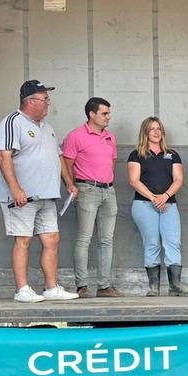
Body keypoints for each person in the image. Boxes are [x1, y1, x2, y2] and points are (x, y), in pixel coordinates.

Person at [0, 80, 79, 302]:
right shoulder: (12, 122)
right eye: (44, 99)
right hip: (22, 197)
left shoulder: (47, 127)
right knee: (23, 239)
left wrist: (69, 183)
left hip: (46, 195)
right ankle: (22, 289)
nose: (48, 103)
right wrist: (15, 189)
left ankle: (51, 288)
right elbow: (3, 156)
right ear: (30, 101)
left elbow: (58, 157)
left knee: (52, 239)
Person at [62, 97, 123, 298]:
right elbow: (66, 166)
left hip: (109, 190)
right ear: (92, 114)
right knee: (84, 238)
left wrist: (107, 182)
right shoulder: (75, 136)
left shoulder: (110, 137)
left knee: (106, 239)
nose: (108, 117)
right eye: (104, 113)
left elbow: (111, 163)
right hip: (87, 189)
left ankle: (104, 286)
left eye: (109, 113)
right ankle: (82, 286)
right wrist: (72, 187)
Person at [128, 117, 188, 297]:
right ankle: (153, 287)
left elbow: (179, 179)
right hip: (144, 204)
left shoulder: (172, 154)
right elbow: (134, 180)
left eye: (159, 128)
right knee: (152, 243)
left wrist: (164, 197)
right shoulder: (136, 154)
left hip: (169, 204)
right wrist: (154, 198)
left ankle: (175, 286)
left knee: (173, 242)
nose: (156, 132)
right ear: (145, 132)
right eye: (152, 129)